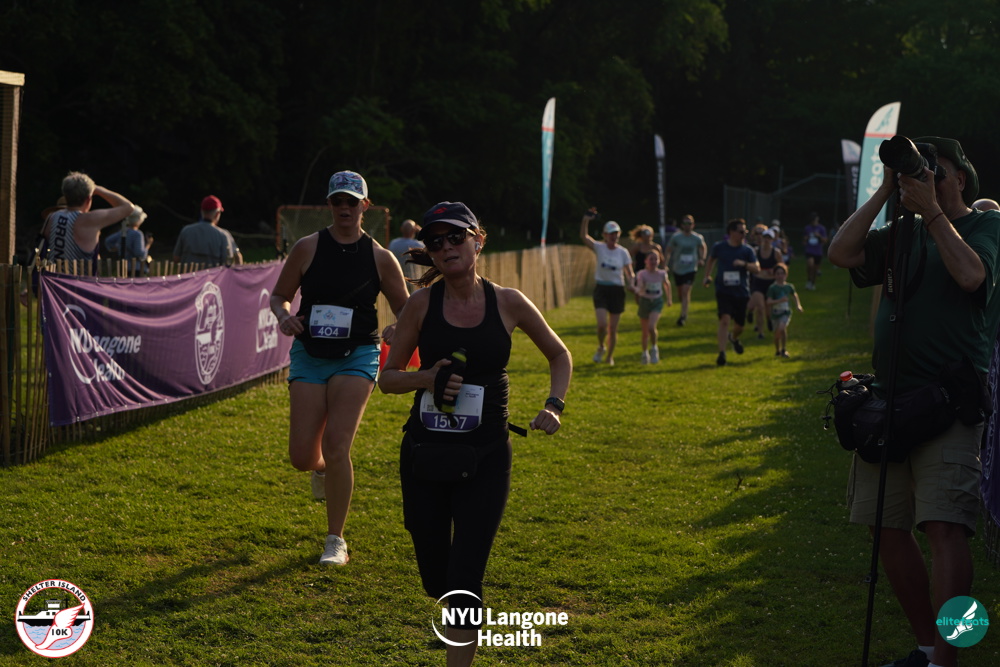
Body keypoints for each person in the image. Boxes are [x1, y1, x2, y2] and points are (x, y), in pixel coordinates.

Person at [828, 136, 1000, 667]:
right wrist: (885, 191)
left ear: (960, 179)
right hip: (891, 401)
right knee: (884, 526)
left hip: (951, 404)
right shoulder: (900, 232)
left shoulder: (985, 226)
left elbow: (972, 276)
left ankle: (950, 656)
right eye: (916, 171)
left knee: (946, 528)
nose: (923, 179)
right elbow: (841, 253)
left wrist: (932, 213)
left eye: (934, 171)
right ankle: (928, 647)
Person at [378, 201, 571, 666]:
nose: (446, 246)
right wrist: (427, 378)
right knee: (437, 578)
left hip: (486, 456)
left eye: (455, 237)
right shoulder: (421, 304)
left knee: (464, 579)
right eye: (435, 241)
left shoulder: (508, 302)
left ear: (477, 241)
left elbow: (559, 355)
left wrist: (554, 405)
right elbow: (388, 378)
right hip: (425, 454)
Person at [270, 170, 409, 566]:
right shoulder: (307, 247)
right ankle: (321, 470)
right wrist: (284, 316)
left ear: (365, 205)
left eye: (352, 201)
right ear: (329, 204)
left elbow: (407, 310)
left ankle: (336, 541)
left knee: (336, 445)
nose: (345, 208)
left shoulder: (380, 257)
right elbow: (280, 296)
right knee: (302, 456)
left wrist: (398, 328)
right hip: (310, 354)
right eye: (338, 201)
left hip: (358, 354)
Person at [41, 172, 135, 267]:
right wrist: (97, 189)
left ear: (65, 196)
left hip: (52, 275)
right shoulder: (89, 220)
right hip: (78, 276)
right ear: (88, 199)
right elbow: (128, 207)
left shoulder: (52, 217)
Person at [580, 209, 634, 366]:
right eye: (610, 234)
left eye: (616, 233)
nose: (613, 236)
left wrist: (632, 283)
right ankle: (601, 346)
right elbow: (584, 237)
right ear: (605, 235)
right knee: (602, 325)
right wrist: (586, 220)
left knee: (613, 328)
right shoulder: (600, 248)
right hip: (602, 290)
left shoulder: (623, 252)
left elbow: (629, 272)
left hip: (617, 290)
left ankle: (610, 356)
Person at [703, 218, 759, 366]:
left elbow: (757, 268)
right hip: (723, 290)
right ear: (731, 232)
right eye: (741, 232)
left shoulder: (747, 250)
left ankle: (733, 338)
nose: (744, 234)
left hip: (741, 292)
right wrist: (707, 276)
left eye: (745, 232)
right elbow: (711, 259)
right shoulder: (719, 247)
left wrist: (744, 264)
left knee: (739, 327)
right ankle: (722, 354)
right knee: (725, 320)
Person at [172, 195, 243, 267]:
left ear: (201, 211)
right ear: (217, 214)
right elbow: (228, 262)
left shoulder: (186, 231)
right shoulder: (223, 235)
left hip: (189, 274)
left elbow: (176, 258)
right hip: (214, 274)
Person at [664, 213, 707, 326]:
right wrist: (665, 264)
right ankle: (684, 305)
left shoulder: (697, 237)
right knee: (680, 292)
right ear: (682, 225)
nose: (687, 225)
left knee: (685, 290)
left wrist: (702, 258)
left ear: (693, 225)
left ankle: (683, 316)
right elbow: (668, 250)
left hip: (691, 268)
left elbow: (703, 247)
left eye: (689, 223)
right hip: (678, 268)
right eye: (685, 223)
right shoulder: (676, 237)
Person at [633, 249, 670, 364]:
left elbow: (667, 285)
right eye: (651, 259)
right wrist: (636, 290)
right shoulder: (642, 274)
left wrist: (669, 299)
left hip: (656, 302)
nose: (653, 261)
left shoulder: (662, 274)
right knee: (645, 331)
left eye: (656, 259)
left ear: (659, 261)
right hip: (645, 301)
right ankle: (645, 353)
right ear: (646, 261)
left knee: (651, 327)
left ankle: (654, 348)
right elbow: (639, 286)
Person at [747, 228, 783, 339]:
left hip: (770, 283)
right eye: (765, 237)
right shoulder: (755, 251)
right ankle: (760, 332)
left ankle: (769, 320)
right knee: (760, 307)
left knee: (768, 309)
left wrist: (774, 270)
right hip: (758, 282)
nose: (766, 240)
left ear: (773, 240)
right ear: (762, 238)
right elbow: (750, 265)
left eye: (769, 238)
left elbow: (782, 267)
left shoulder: (776, 253)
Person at [764, 263, 801, 358]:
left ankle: (783, 349)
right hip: (775, 313)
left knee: (781, 328)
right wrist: (779, 300)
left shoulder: (789, 287)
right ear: (774, 275)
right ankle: (778, 350)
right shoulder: (772, 288)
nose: (780, 276)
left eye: (782, 273)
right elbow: (768, 302)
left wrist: (798, 305)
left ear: (786, 275)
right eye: (778, 274)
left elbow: (794, 295)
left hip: (785, 312)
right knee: (779, 333)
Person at [104, 206, 153, 275]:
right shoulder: (137, 234)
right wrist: (148, 245)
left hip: (123, 267)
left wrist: (117, 247)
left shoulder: (122, 232)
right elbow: (140, 254)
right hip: (137, 268)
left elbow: (108, 241)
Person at [388, 219, 425, 289]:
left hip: (396, 281)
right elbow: (429, 246)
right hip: (413, 282)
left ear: (401, 229)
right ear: (413, 230)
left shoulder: (393, 243)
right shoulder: (417, 245)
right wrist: (421, 232)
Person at [803, 212, 828, 290]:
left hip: (818, 251)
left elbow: (825, 240)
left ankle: (813, 283)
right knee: (810, 264)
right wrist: (806, 239)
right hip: (809, 250)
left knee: (815, 269)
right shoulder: (807, 228)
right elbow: (804, 241)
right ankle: (809, 279)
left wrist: (819, 236)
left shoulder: (821, 228)